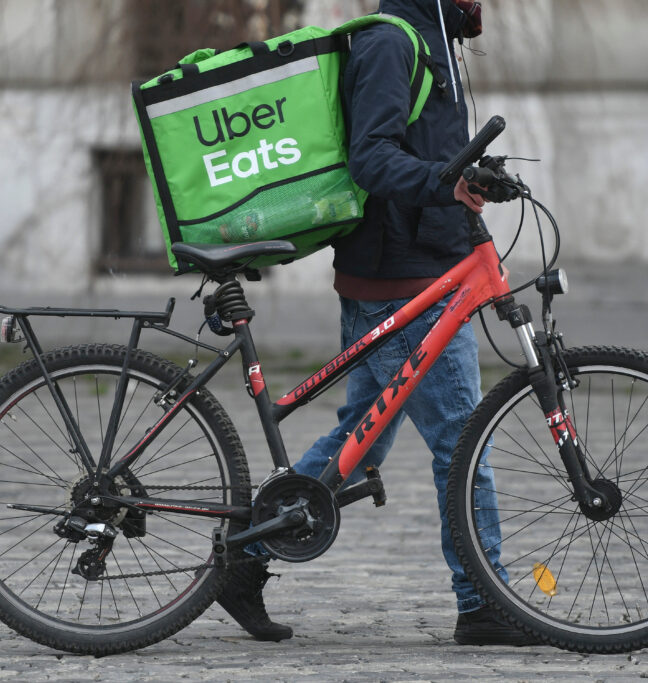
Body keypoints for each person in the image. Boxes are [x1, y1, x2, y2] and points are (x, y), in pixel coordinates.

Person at [216, 0, 535, 646]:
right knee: (463, 441)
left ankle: (244, 556)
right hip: (402, 282)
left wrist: (471, 177)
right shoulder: (395, 44)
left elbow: (429, 153)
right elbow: (371, 157)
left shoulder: (431, 38)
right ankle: (484, 602)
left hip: (410, 270)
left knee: (361, 442)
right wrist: (444, 183)